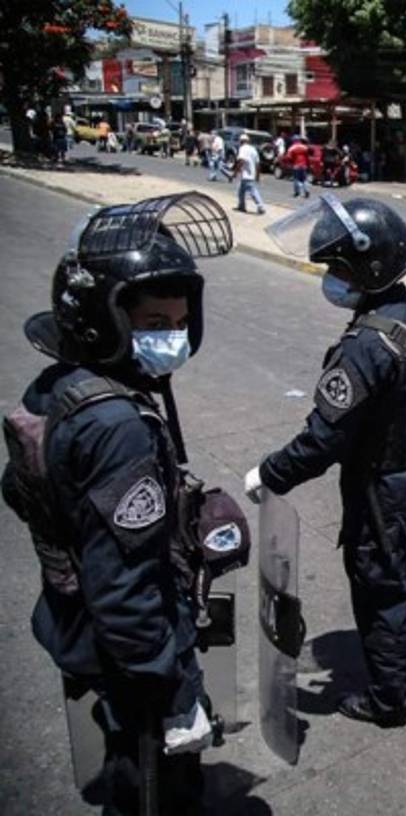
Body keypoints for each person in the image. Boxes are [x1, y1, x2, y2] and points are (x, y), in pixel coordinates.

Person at [2, 194, 236, 813]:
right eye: (156, 323)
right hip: (134, 660)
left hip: (77, 623)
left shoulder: (62, 386)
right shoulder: (118, 424)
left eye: (180, 321)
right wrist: (173, 690)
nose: (174, 337)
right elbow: (127, 592)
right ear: (103, 322)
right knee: (157, 789)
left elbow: (20, 487)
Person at [248, 197, 406, 727]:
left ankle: (389, 701)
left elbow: (323, 440)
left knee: (383, 588)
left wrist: (269, 474)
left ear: (371, 267)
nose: (332, 279)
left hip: (385, 488)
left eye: (339, 268)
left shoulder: (367, 345)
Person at [234, 134, 266, 215]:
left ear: (241, 141)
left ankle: (260, 206)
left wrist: (235, 172)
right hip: (251, 174)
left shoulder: (242, 149)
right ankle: (241, 206)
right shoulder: (253, 149)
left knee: (253, 191)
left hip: (246, 174)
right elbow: (258, 164)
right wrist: (257, 175)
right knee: (241, 191)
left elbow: (241, 161)